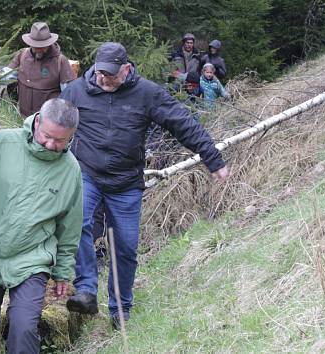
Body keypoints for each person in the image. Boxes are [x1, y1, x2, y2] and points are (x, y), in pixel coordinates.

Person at [60, 42, 228, 328]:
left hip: (126, 183)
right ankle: (87, 290)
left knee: (124, 247)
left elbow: (182, 122)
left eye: (111, 75)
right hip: (87, 174)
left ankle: (120, 311)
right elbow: (50, 125)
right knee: (78, 224)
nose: (104, 80)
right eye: (100, 73)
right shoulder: (76, 91)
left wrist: (213, 158)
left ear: (127, 68)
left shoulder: (147, 93)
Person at [0, 98, 83, 354]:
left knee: (23, 331)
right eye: (47, 136)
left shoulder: (70, 170)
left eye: (60, 141)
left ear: (71, 136)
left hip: (32, 260)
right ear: (38, 121)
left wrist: (63, 271)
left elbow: (70, 225)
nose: (51, 145)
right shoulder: (0, 143)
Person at [0, 22, 76, 117]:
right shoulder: (23, 55)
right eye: (36, 46)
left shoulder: (60, 61)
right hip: (22, 118)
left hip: (48, 121)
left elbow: (69, 96)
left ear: (49, 43)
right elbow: (5, 77)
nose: (39, 49)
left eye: (42, 46)